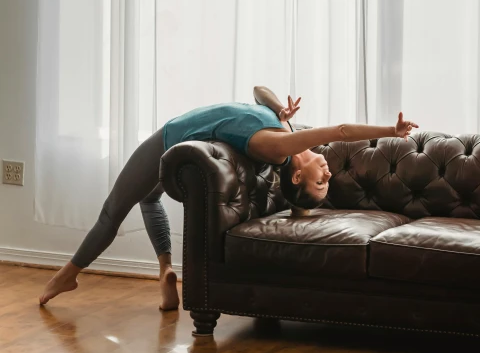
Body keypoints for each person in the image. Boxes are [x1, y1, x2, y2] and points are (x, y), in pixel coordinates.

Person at [39, 86, 417, 309]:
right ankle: (164, 270)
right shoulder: (283, 127)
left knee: (113, 210)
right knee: (149, 199)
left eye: (321, 183)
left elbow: (341, 130)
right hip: (179, 136)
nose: (330, 173)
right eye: (326, 181)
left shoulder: (281, 144)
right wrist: (280, 108)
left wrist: (389, 130)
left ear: (297, 174)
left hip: (170, 138)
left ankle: (67, 275)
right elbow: (258, 90)